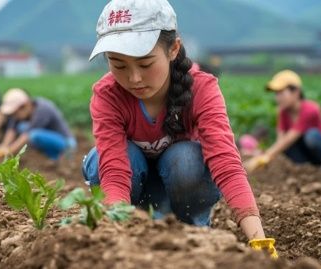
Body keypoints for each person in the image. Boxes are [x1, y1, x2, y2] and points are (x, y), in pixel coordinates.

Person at [81, 0, 277, 258]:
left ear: (173, 49)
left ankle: (193, 229)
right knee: (102, 161)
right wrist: (116, 239)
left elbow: (226, 163)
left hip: (178, 181)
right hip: (130, 184)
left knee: (187, 159)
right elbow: (115, 173)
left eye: (145, 64)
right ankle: (133, 223)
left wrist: (259, 242)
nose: (134, 78)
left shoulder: (202, 88)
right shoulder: (107, 95)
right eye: (118, 65)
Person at [244, 70, 321, 172]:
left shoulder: (310, 109)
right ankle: (307, 168)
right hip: (306, 157)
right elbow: (281, 140)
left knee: (312, 136)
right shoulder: (283, 112)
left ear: (296, 92)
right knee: (285, 147)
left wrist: (265, 157)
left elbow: (290, 137)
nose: (278, 98)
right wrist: (263, 155)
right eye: (276, 93)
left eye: (281, 92)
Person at [0, 88, 76, 163]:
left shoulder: (42, 109)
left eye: (15, 113)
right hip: (48, 138)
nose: (14, 116)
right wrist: (3, 147)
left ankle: (58, 158)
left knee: (33, 135)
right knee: (22, 127)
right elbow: (11, 129)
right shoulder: (21, 112)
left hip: (66, 143)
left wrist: (8, 151)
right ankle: (50, 156)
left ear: (25, 106)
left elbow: (26, 135)